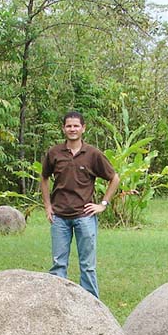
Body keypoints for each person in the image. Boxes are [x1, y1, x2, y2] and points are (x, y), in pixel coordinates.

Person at [40, 111, 120, 299]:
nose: (72, 129)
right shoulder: (55, 153)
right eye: (69, 126)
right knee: (58, 264)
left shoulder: (92, 154)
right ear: (63, 128)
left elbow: (114, 178)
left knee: (88, 266)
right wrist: (47, 206)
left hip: (84, 217)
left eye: (76, 126)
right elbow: (44, 177)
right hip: (59, 217)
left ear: (83, 128)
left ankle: (92, 306)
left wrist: (103, 204)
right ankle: (57, 303)